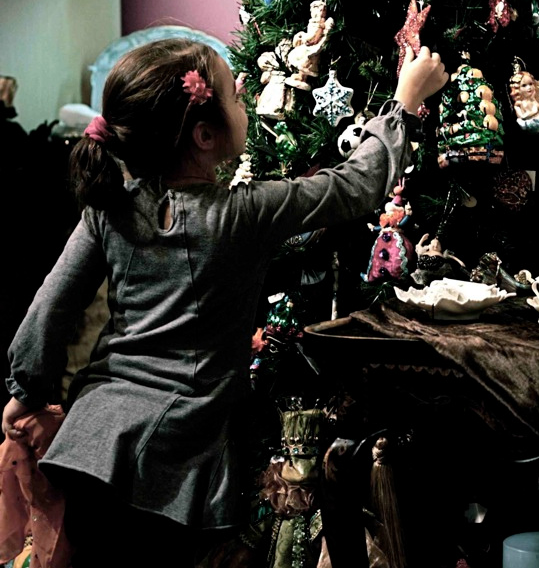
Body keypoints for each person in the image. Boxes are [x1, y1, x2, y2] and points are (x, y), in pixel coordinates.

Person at [1, 37, 447, 567]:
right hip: (176, 460)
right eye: (234, 95)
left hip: (92, 443)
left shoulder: (109, 208)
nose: (243, 94)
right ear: (205, 135)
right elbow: (354, 187)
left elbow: (50, 305)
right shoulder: (243, 213)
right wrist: (403, 103)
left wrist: (26, 391)